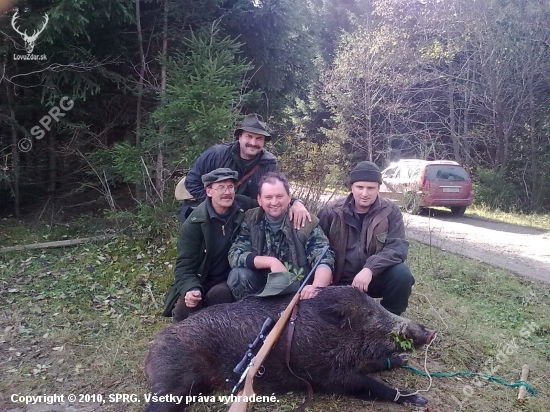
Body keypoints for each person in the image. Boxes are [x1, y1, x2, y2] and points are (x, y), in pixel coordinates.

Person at [177, 114, 310, 228]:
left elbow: (277, 189)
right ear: (239, 137)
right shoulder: (216, 154)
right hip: (208, 217)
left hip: (241, 221)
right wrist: (215, 205)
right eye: (249, 136)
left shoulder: (268, 163)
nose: (253, 142)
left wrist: (296, 202)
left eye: (259, 138)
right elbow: (192, 181)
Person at [318, 161, 415, 315]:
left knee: (402, 275)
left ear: (378, 188)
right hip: (337, 280)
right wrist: (325, 269)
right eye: (360, 187)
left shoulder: (391, 211)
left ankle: (390, 321)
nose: (364, 193)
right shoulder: (331, 211)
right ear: (351, 187)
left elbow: (397, 247)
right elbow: (318, 245)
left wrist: (370, 268)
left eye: (371, 188)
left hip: (371, 280)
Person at [163, 168, 254, 322]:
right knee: (185, 313)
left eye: (230, 187)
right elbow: (184, 266)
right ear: (209, 191)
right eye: (221, 187)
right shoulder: (194, 224)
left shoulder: (242, 205)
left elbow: (269, 201)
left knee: (220, 295)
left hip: (227, 279)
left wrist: (295, 203)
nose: (227, 192)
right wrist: (191, 288)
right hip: (201, 279)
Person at [227, 172, 334, 300]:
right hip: (262, 286)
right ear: (259, 200)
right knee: (238, 276)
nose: (274, 202)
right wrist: (271, 262)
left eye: (279, 196)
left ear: (289, 197)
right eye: (268, 197)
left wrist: (316, 288)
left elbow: (324, 258)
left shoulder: (306, 221)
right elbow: (235, 254)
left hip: (297, 288)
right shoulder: (250, 220)